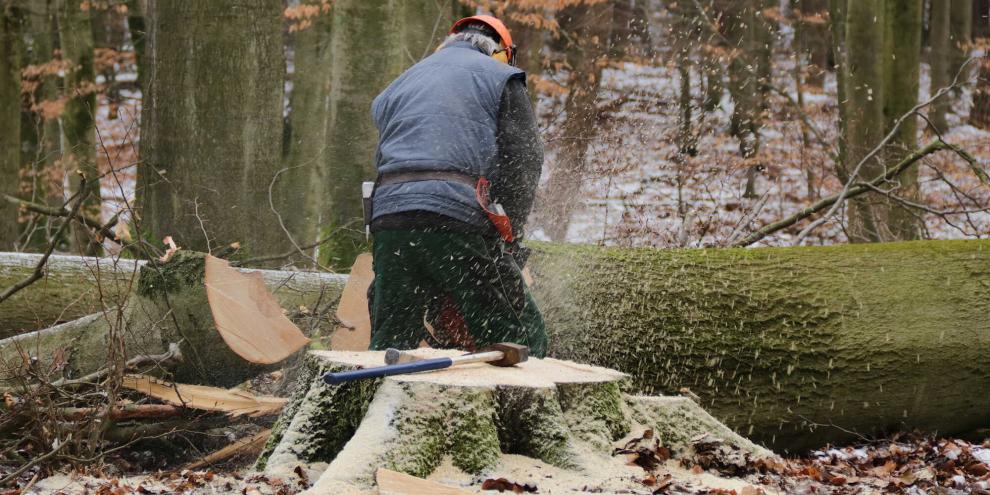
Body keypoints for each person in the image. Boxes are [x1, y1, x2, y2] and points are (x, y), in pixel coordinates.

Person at [366, 15, 548, 357]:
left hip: (390, 220)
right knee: (520, 337)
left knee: (390, 344)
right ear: (501, 53)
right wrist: (511, 234)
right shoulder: (502, 77)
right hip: (455, 220)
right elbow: (524, 159)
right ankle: (522, 402)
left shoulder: (402, 82)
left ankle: (376, 400)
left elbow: (392, 150)